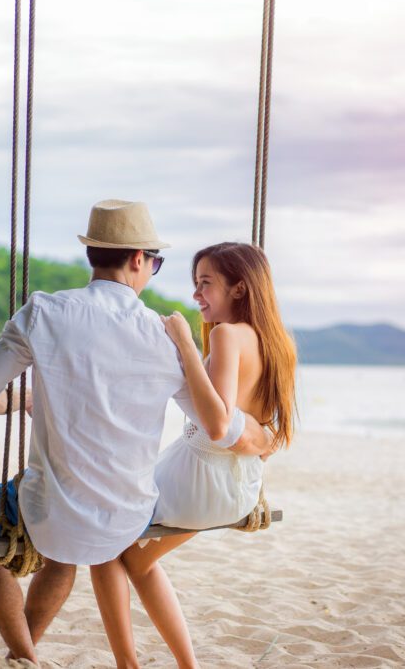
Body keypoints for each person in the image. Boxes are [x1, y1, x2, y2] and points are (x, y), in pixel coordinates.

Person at [0, 201, 274, 666]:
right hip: (128, 515)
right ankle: (22, 655)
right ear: (139, 260)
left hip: (54, 514)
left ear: (94, 256)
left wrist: (17, 402)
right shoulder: (163, 337)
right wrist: (265, 439)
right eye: (157, 263)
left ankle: (23, 654)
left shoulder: (44, 312)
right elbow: (216, 427)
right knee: (67, 552)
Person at [104, 242, 297, 668]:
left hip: (197, 484)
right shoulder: (278, 343)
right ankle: (188, 665)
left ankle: (126, 664)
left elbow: (218, 424)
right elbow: (258, 428)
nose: (196, 295)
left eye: (205, 284)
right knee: (136, 563)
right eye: (196, 284)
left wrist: (185, 345)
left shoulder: (228, 335)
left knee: (103, 544)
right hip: (239, 490)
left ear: (240, 288)